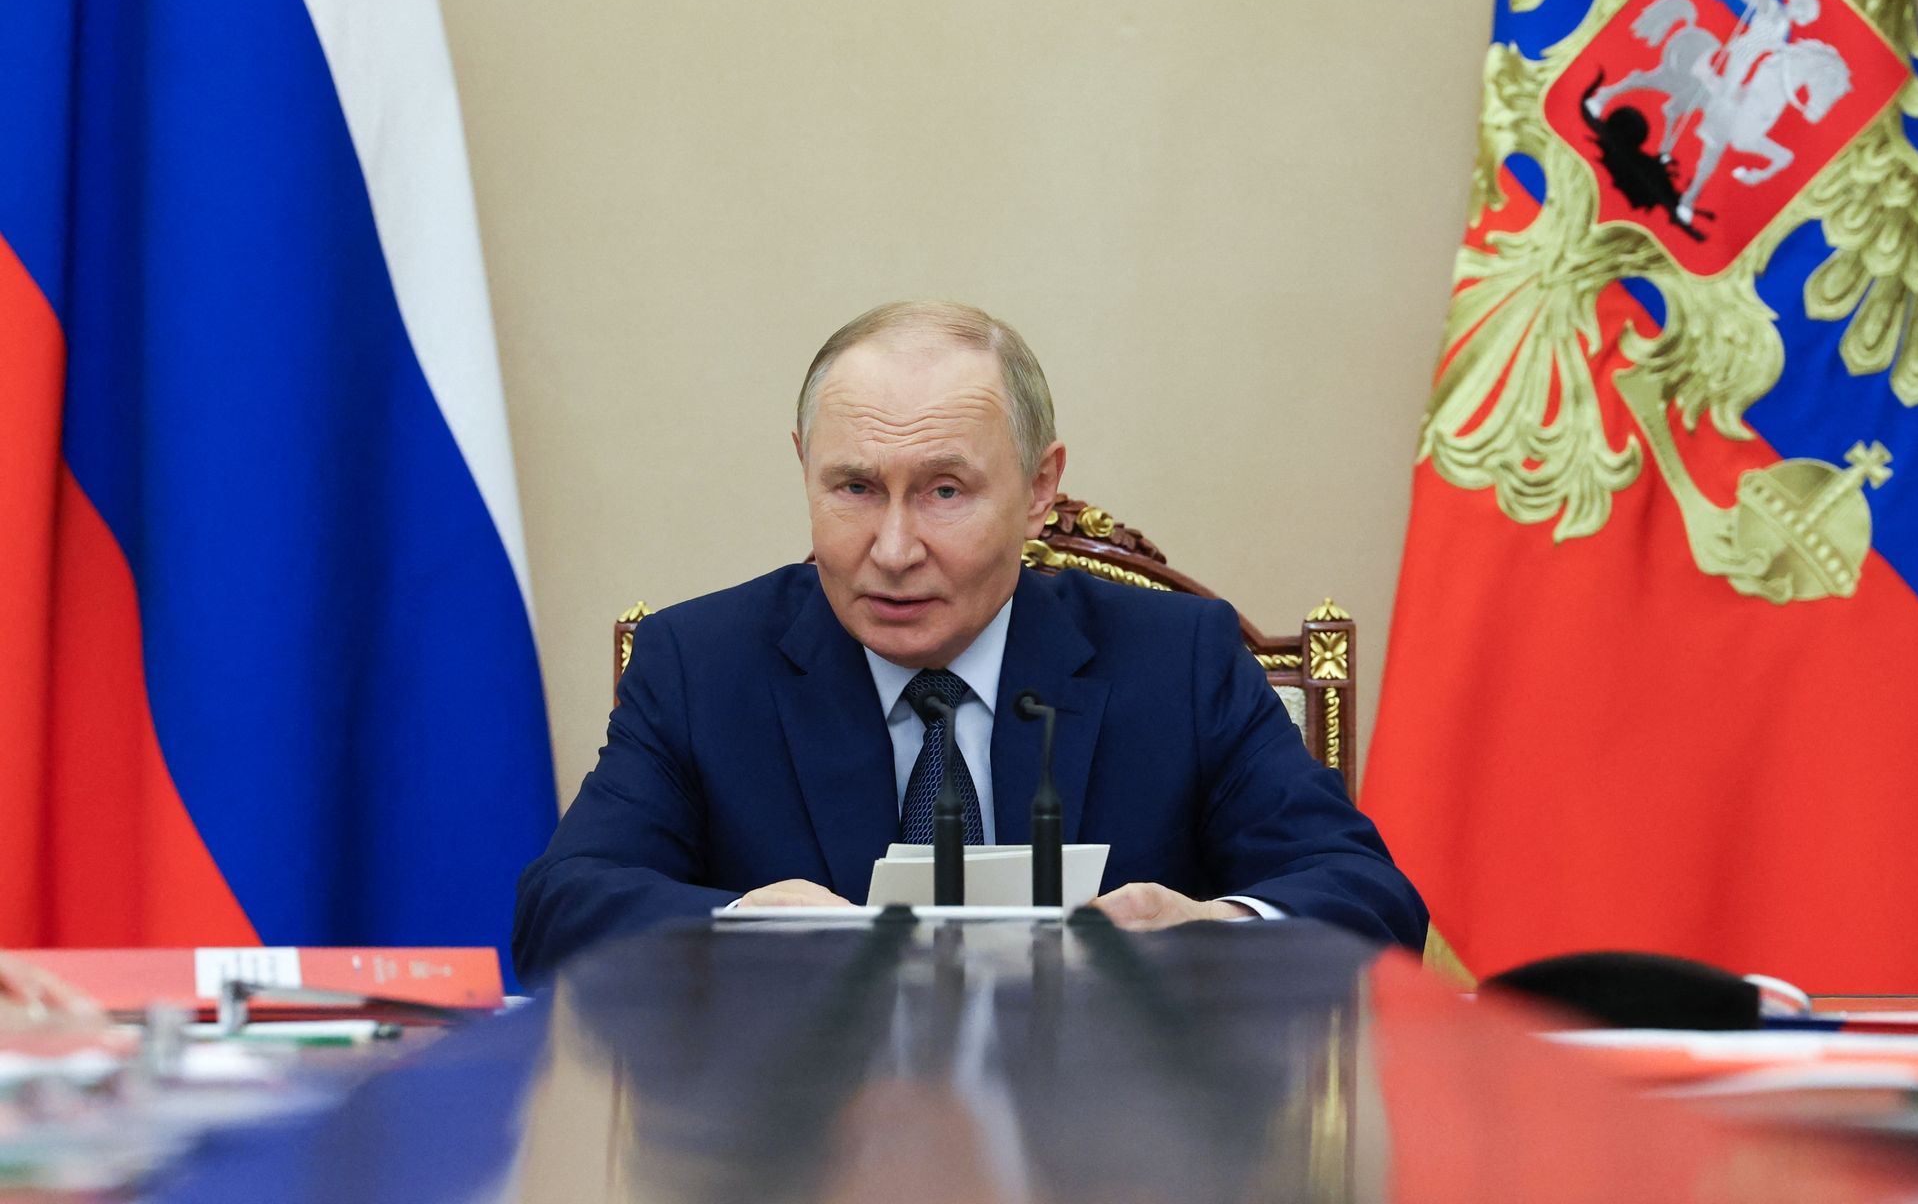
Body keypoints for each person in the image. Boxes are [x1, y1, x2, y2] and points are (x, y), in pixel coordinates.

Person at [513, 301, 1426, 981]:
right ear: (803, 466)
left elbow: (1369, 897)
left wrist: (1215, 928)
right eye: (855, 488)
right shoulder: (701, 664)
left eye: (946, 490)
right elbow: (562, 908)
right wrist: (741, 920)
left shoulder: (1177, 659)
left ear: (1039, 487)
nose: (896, 548)